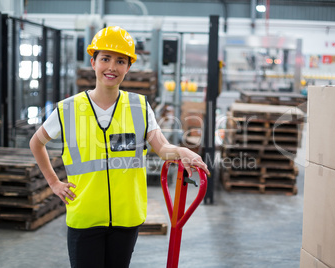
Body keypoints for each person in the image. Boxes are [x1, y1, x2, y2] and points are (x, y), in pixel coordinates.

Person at [29, 26, 210, 268]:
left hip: (126, 220)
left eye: (120, 61)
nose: (112, 67)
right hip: (85, 218)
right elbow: (36, 143)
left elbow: (162, 148)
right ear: (93, 62)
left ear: (128, 67)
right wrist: (53, 182)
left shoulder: (140, 108)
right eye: (105, 59)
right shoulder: (68, 109)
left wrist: (183, 152)